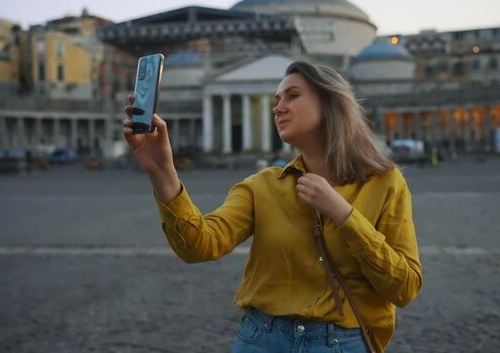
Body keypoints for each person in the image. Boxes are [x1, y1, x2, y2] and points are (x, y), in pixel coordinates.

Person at [123, 61, 422, 353]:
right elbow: (198, 246)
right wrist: (162, 171)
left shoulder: (385, 183)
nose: (278, 108)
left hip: (342, 343)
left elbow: (405, 288)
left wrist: (344, 215)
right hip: (262, 339)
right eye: (277, 100)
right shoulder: (261, 185)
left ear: (330, 104)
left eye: (292, 96)